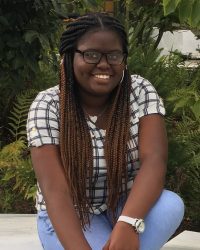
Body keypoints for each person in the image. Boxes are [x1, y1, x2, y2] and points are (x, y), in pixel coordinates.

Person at [27, 13, 184, 250]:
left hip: (125, 205)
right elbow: (54, 190)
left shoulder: (139, 91)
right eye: (90, 54)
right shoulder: (48, 105)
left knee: (170, 204)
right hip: (73, 212)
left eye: (114, 55)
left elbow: (154, 160)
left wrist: (128, 223)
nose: (104, 64)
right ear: (69, 57)